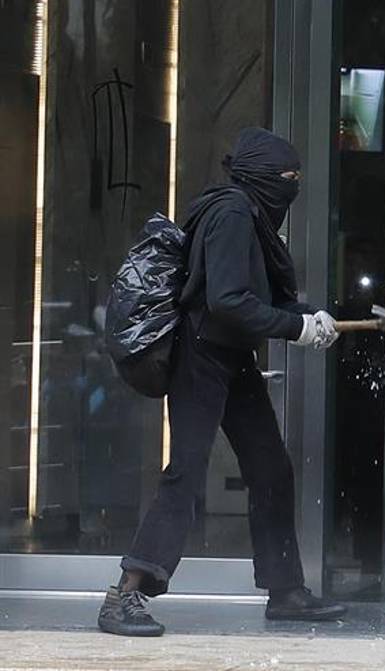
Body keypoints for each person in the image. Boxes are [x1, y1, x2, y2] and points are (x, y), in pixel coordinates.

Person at [98, 128, 344, 637]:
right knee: (186, 474)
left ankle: (286, 591)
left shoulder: (248, 214)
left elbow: (256, 301)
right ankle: (124, 595)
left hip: (231, 359)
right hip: (202, 356)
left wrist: (308, 316)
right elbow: (227, 301)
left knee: (271, 469)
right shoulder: (232, 213)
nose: (291, 187)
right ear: (260, 176)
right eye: (286, 178)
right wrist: (296, 326)